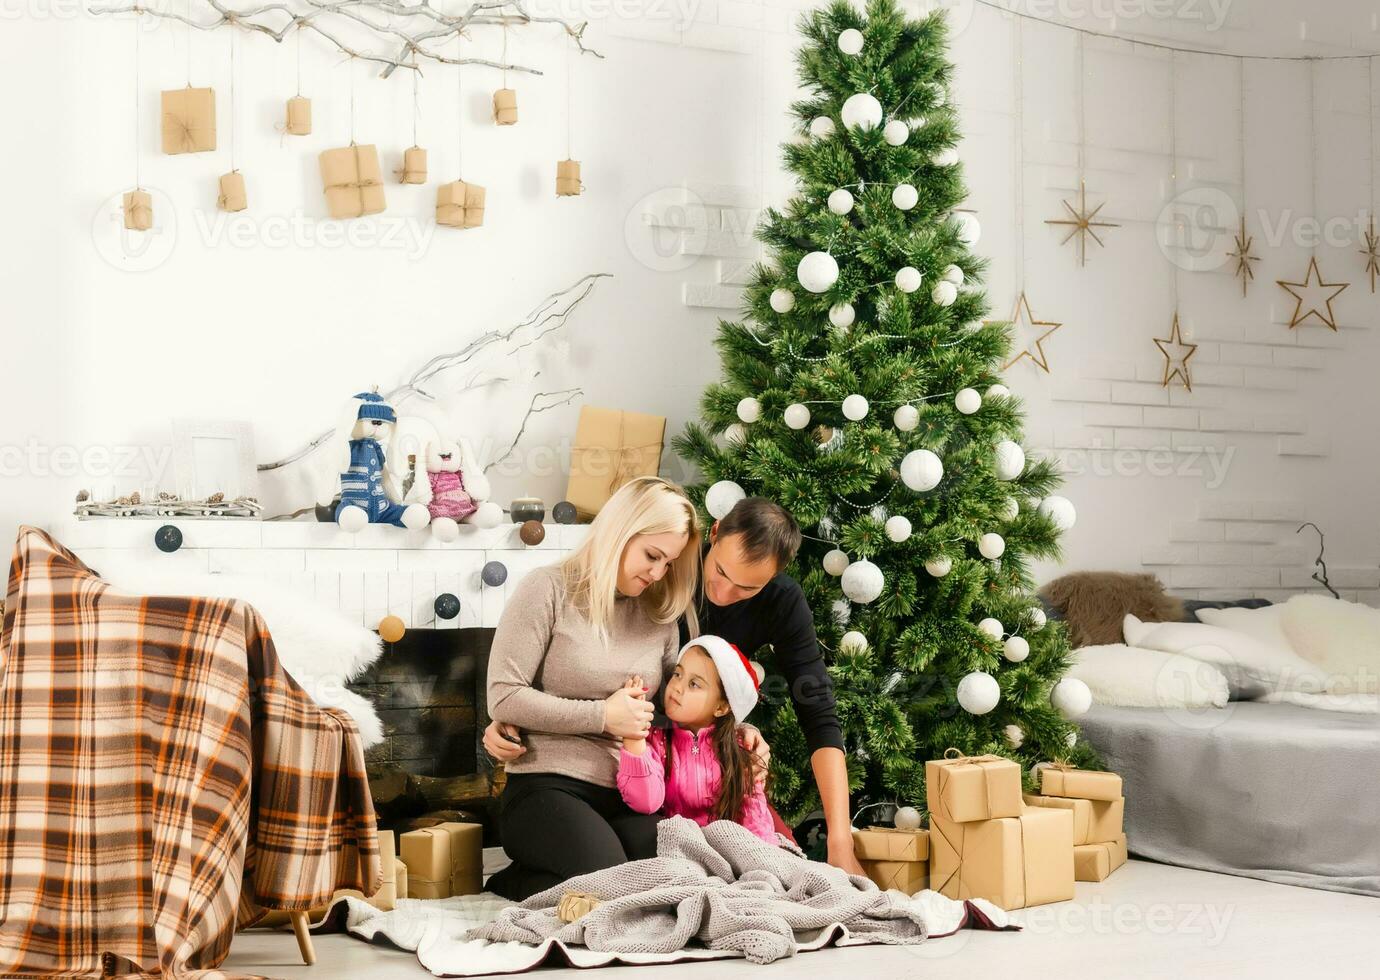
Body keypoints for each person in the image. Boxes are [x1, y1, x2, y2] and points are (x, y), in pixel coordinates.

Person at [486, 495, 865, 877]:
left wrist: (840, 841)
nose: (724, 592)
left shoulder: (749, 601)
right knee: (619, 875)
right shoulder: (639, 583)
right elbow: (522, 688)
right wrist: (516, 714)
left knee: (743, 871)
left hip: (662, 780)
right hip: (588, 775)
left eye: (747, 588)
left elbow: (815, 712)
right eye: (720, 571)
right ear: (713, 535)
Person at [481, 476, 701, 900]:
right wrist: (602, 715)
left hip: (628, 794)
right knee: (613, 881)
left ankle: (558, 878)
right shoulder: (546, 589)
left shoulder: (659, 615)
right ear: (620, 532)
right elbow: (504, 693)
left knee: (679, 875)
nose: (658, 573)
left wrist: (738, 729)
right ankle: (518, 881)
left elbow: (680, 703)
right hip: (546, 786)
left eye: (669, 562)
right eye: (652, 555)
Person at [616, 636, 776, 844]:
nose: (677, 687)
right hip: (676, 848)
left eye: (694, 684)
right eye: (677, 674)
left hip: (730, 849)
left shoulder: (740, 751)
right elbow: (645, 802)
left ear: (721, 707)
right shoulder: (657, 741)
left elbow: (755, 821)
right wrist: (634, 735)